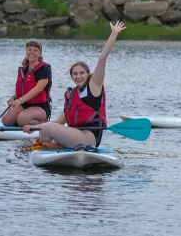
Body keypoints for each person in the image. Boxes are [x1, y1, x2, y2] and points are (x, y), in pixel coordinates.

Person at [26, 21, 125, 149]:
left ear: (88, 74)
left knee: (47, 128)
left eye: (82, 73)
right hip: (75, 135)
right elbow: (59, 122)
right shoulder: (72, 94)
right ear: (71, 76)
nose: (78, 76)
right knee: (43, 131)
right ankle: (49, 146)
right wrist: (34, 127)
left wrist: (114, 34)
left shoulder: (94, 86)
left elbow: (102, 58)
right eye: (75, 74)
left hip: (89, 137)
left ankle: (49, 145)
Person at [1, 40, 52, 127]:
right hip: (24, 104)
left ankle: (42, 122)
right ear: (26, 51)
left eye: (35, 50)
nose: (32, 52)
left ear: (40, 53)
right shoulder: (23, 69)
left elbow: (37, 89)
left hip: (40, 107)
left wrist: (20, 100)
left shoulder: (44, 69)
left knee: (22, 120)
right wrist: (13, 98)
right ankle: (21, 121)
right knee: (6, 121)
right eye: (29, 49)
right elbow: (23, 89)